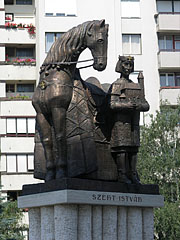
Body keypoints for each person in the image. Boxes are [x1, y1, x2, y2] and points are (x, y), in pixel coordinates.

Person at [108, 56, 149, 184]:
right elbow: (112, 104)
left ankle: (133, 173)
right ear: (120, 66)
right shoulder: (117, 84)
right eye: (126, 64)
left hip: (134, 123)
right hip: (121, 122)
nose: (128, 68)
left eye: (130, 65)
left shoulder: (135, 85)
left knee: (133, 148)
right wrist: (127, 105)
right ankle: (122, 174)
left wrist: (138, 106)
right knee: (123, 148)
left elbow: (146, 105)